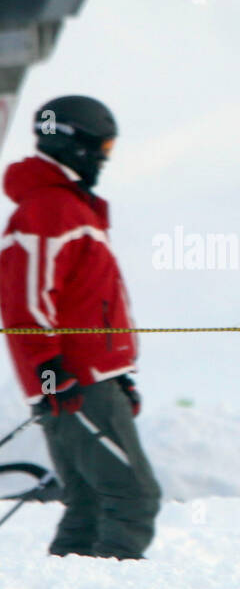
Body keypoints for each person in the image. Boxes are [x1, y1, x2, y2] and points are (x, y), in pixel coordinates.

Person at [0, 95, 161, 560]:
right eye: (103, 146)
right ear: (77, 145)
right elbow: (25, 302)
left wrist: (115, 372)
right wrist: (49, 371)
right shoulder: (50, 209)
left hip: (86, 378)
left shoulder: (66, 207)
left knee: (89, 504)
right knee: (134, 499)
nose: (106, 158)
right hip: (72, 382)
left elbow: (85, 304)